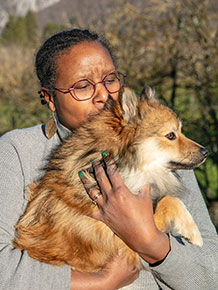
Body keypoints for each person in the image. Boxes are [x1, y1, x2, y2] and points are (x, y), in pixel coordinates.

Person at [0, 29, 217, 290]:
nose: (103, 94)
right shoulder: (17, 151)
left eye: (110, 79)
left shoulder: (162, 156)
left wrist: (151, 243)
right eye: (82, 86)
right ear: (50, 99)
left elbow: (210, 274)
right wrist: (100, 282)